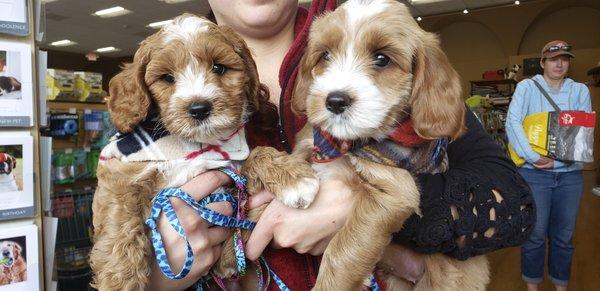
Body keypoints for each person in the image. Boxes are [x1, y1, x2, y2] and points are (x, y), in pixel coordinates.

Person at [149, 1, 535, 290]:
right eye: (325, 59)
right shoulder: (158, 68)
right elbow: (121, 221)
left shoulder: (369, 20)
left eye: (381, 59)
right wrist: (157, 275)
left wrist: (363, 203)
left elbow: (514, 206)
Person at [506, 40, 591, 291]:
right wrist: (533, 157)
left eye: (564, 58)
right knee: (534, 235)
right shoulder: (527, 87)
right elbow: (513, 123)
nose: (559, 63)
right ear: (543, 62)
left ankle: (560, 286)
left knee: (563, 238)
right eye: (553, 59)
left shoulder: (579, 91)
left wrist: (558, 161)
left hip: (570, 177)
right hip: (534, 174)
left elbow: (582, 133)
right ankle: (533, 287)